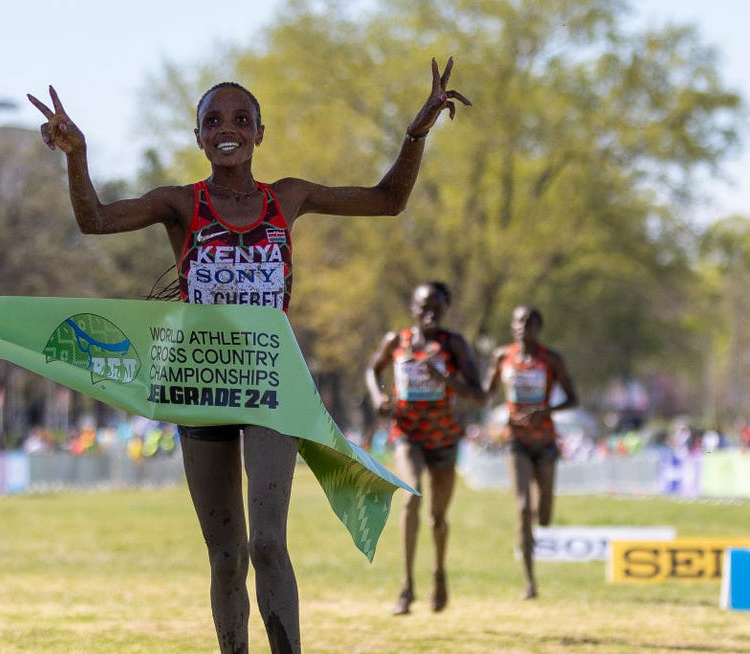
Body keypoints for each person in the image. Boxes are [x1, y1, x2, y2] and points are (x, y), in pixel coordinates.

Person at [29, 57, 470, 653]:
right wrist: (77, 156)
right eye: (213, 120)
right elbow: (96, 220)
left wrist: (415, 134)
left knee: (268, 542)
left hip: (268, 382)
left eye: (241, 118)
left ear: (260, 133)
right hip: (200, 383)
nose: (227, 128)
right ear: (199, 137)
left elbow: (388, 200)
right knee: (228, 556)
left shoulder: (288, 197)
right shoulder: (180, 204)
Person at [365, 282, 484, 615]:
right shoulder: (396, 341)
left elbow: (478, 394)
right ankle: (406, 587)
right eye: (422, 306)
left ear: (446, 308)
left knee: (438, 518)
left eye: (436, 306)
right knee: (411, 495)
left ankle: (439, 573)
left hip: (444, 437)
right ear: (412, 308)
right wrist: (378, 398)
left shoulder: (453, 345)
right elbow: (372, 370)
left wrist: (444, 380)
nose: (428, 312)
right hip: (408, 433)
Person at [483, 305, 578, 600]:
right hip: (516, 441)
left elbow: (573, 399)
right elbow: (486, 392)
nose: (524, 326)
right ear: (512, 327)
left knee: (544, 516)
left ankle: (541, 511)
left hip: (545, 442)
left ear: (539, 327)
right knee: (523, 508)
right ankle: (529, 582)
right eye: (519, 321)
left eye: (530, 322)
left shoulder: (551, 360)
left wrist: (545, 410)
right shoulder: (502, 357)